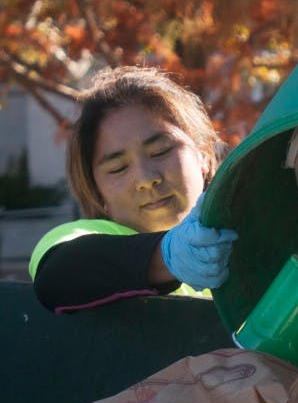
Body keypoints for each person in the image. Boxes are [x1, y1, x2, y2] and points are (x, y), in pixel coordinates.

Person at [29, 66, 238, 314]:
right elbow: (57, 276)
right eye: (118, 168)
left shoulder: (238, 238)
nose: (146, 179)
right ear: (97, 193)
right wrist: (168, 255)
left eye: (161, 151)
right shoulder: (82, 235)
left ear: (203, 154)